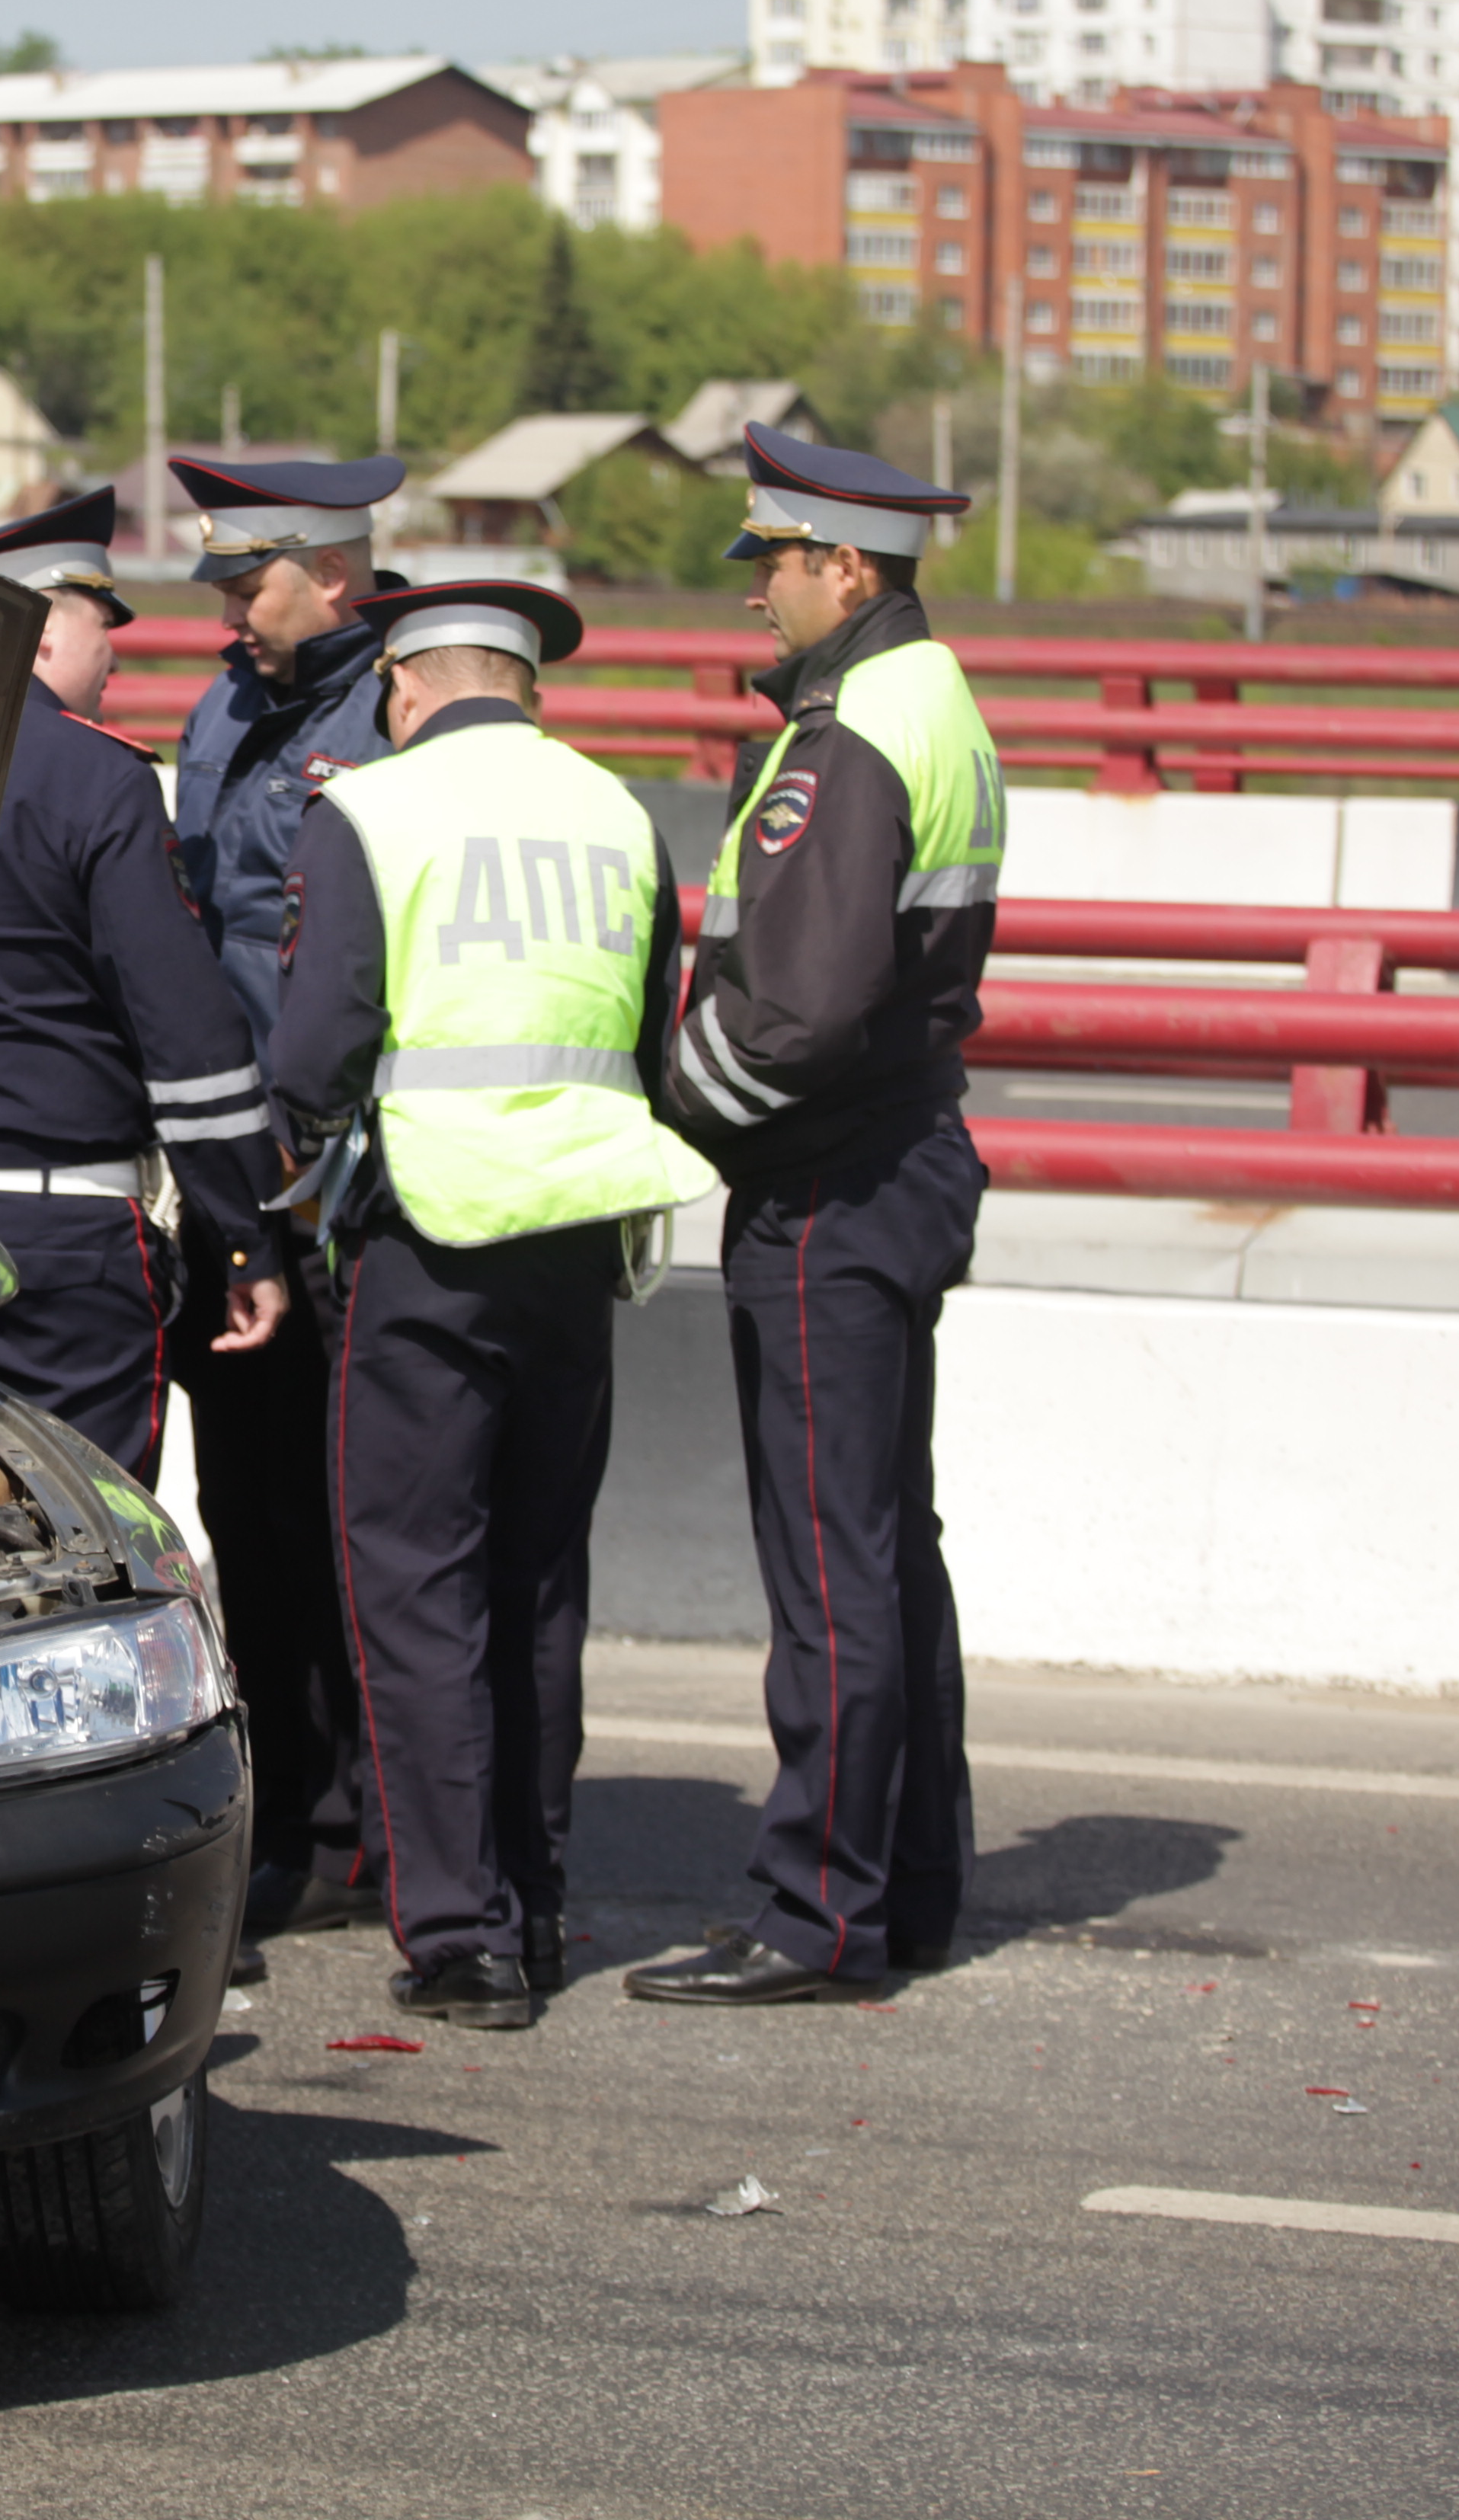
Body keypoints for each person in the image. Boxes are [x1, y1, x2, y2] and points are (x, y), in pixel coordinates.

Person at [265, 580, 714, 2026]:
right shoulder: (618, 816)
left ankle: (460, 1934)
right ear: (530, 688)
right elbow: (652, 1028)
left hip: (429, 1243)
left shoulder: (377, 812)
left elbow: (316, 1054)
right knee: (537, 1584)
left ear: (403, 683)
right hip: (577, 1238)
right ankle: (542, 1903)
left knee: (415, 1581)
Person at [625, 424, 1005, 2008]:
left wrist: (665, 1123)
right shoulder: (936, 698)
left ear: (845, 566)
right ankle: (904, 1890)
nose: (759, 593)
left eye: (773, 564)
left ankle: (818, 1917)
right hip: (900, 1158)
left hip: (832, 1183)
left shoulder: (851, 729)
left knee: (831, 1572)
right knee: (888, 1552)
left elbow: (794, 1013)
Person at [163, 452, 408, 1942]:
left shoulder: (393, 710)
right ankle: (295, 1803)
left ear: (337, 574)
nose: (232, 615)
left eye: (250, 587)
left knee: (359, 1510)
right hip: (230, 1173)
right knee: (248, 1512)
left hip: (347, 1177)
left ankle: (384, 1814)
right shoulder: (222, 707)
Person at [0, 487, 287, 1492]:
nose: (117, 654)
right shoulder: (99, 778)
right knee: (86, 1535)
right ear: (42, 634)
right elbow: (188, 1037)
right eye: (102, 624)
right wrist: (246, 1237)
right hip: (64, 1249)